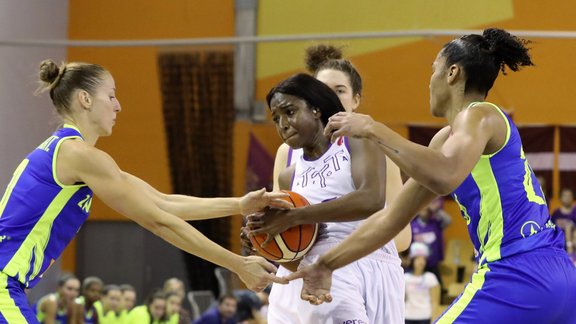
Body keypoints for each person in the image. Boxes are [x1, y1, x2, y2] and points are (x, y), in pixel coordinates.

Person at [288, 28, 576, 323]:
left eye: (433, 69)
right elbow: (390, 220)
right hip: (561, 275)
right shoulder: (445, 143)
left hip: (517, 270)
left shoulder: (480, 114)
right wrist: (326, 264)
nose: (429, 80)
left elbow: (445, 175)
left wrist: (373, 129)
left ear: (452, 73)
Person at [0, 60, 290, 322]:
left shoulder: (74, 154)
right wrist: (238, 264)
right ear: (85, 99)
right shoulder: (79, 154)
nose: (118, 106)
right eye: (111, 95)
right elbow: (157, 221)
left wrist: (240, 205)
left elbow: (162, 202)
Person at [249, 73, 405, 323]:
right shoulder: (290, 176)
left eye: (289, 112)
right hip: (326, 270)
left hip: (377, 261)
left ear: (315, 109)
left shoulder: (356, 140)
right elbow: (296, 255)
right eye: (276, 119)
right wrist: (266, 241)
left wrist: (293, 217)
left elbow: (371, 200)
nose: (283, 124)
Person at [271, 44, 411, 252]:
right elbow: (280, 223)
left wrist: (338, 253)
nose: (330, 98)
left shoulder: (374, 145)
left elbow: (402, 236)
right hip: (308, 266)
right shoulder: (288, 152)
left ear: (356, 100)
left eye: (340, 90)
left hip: (361, 264)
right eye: (322, 90)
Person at [411, 197, 451, 285]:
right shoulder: (412, 225)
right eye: (422, 209)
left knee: (437, 287)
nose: (424, 211)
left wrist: (435, 210)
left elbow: (448, 221)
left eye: (426, 209)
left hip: (433, 264)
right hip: (415, 264)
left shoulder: (435, 224)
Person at [404, 242, 440, 324]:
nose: (421, 262)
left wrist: (433, 319)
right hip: (407, 316)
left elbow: (435, 301)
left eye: (424, 259)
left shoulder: (431, 277)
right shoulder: (405, 277)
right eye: (418, 258)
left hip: (425, 317)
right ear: (412, 260)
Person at [551, 188, 576, 254]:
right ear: (560, 198)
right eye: (565, 196)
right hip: (558, 248)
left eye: (569, 196)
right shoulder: (556, 214)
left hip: (573, 248)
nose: (567, 198)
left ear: (573, 197)